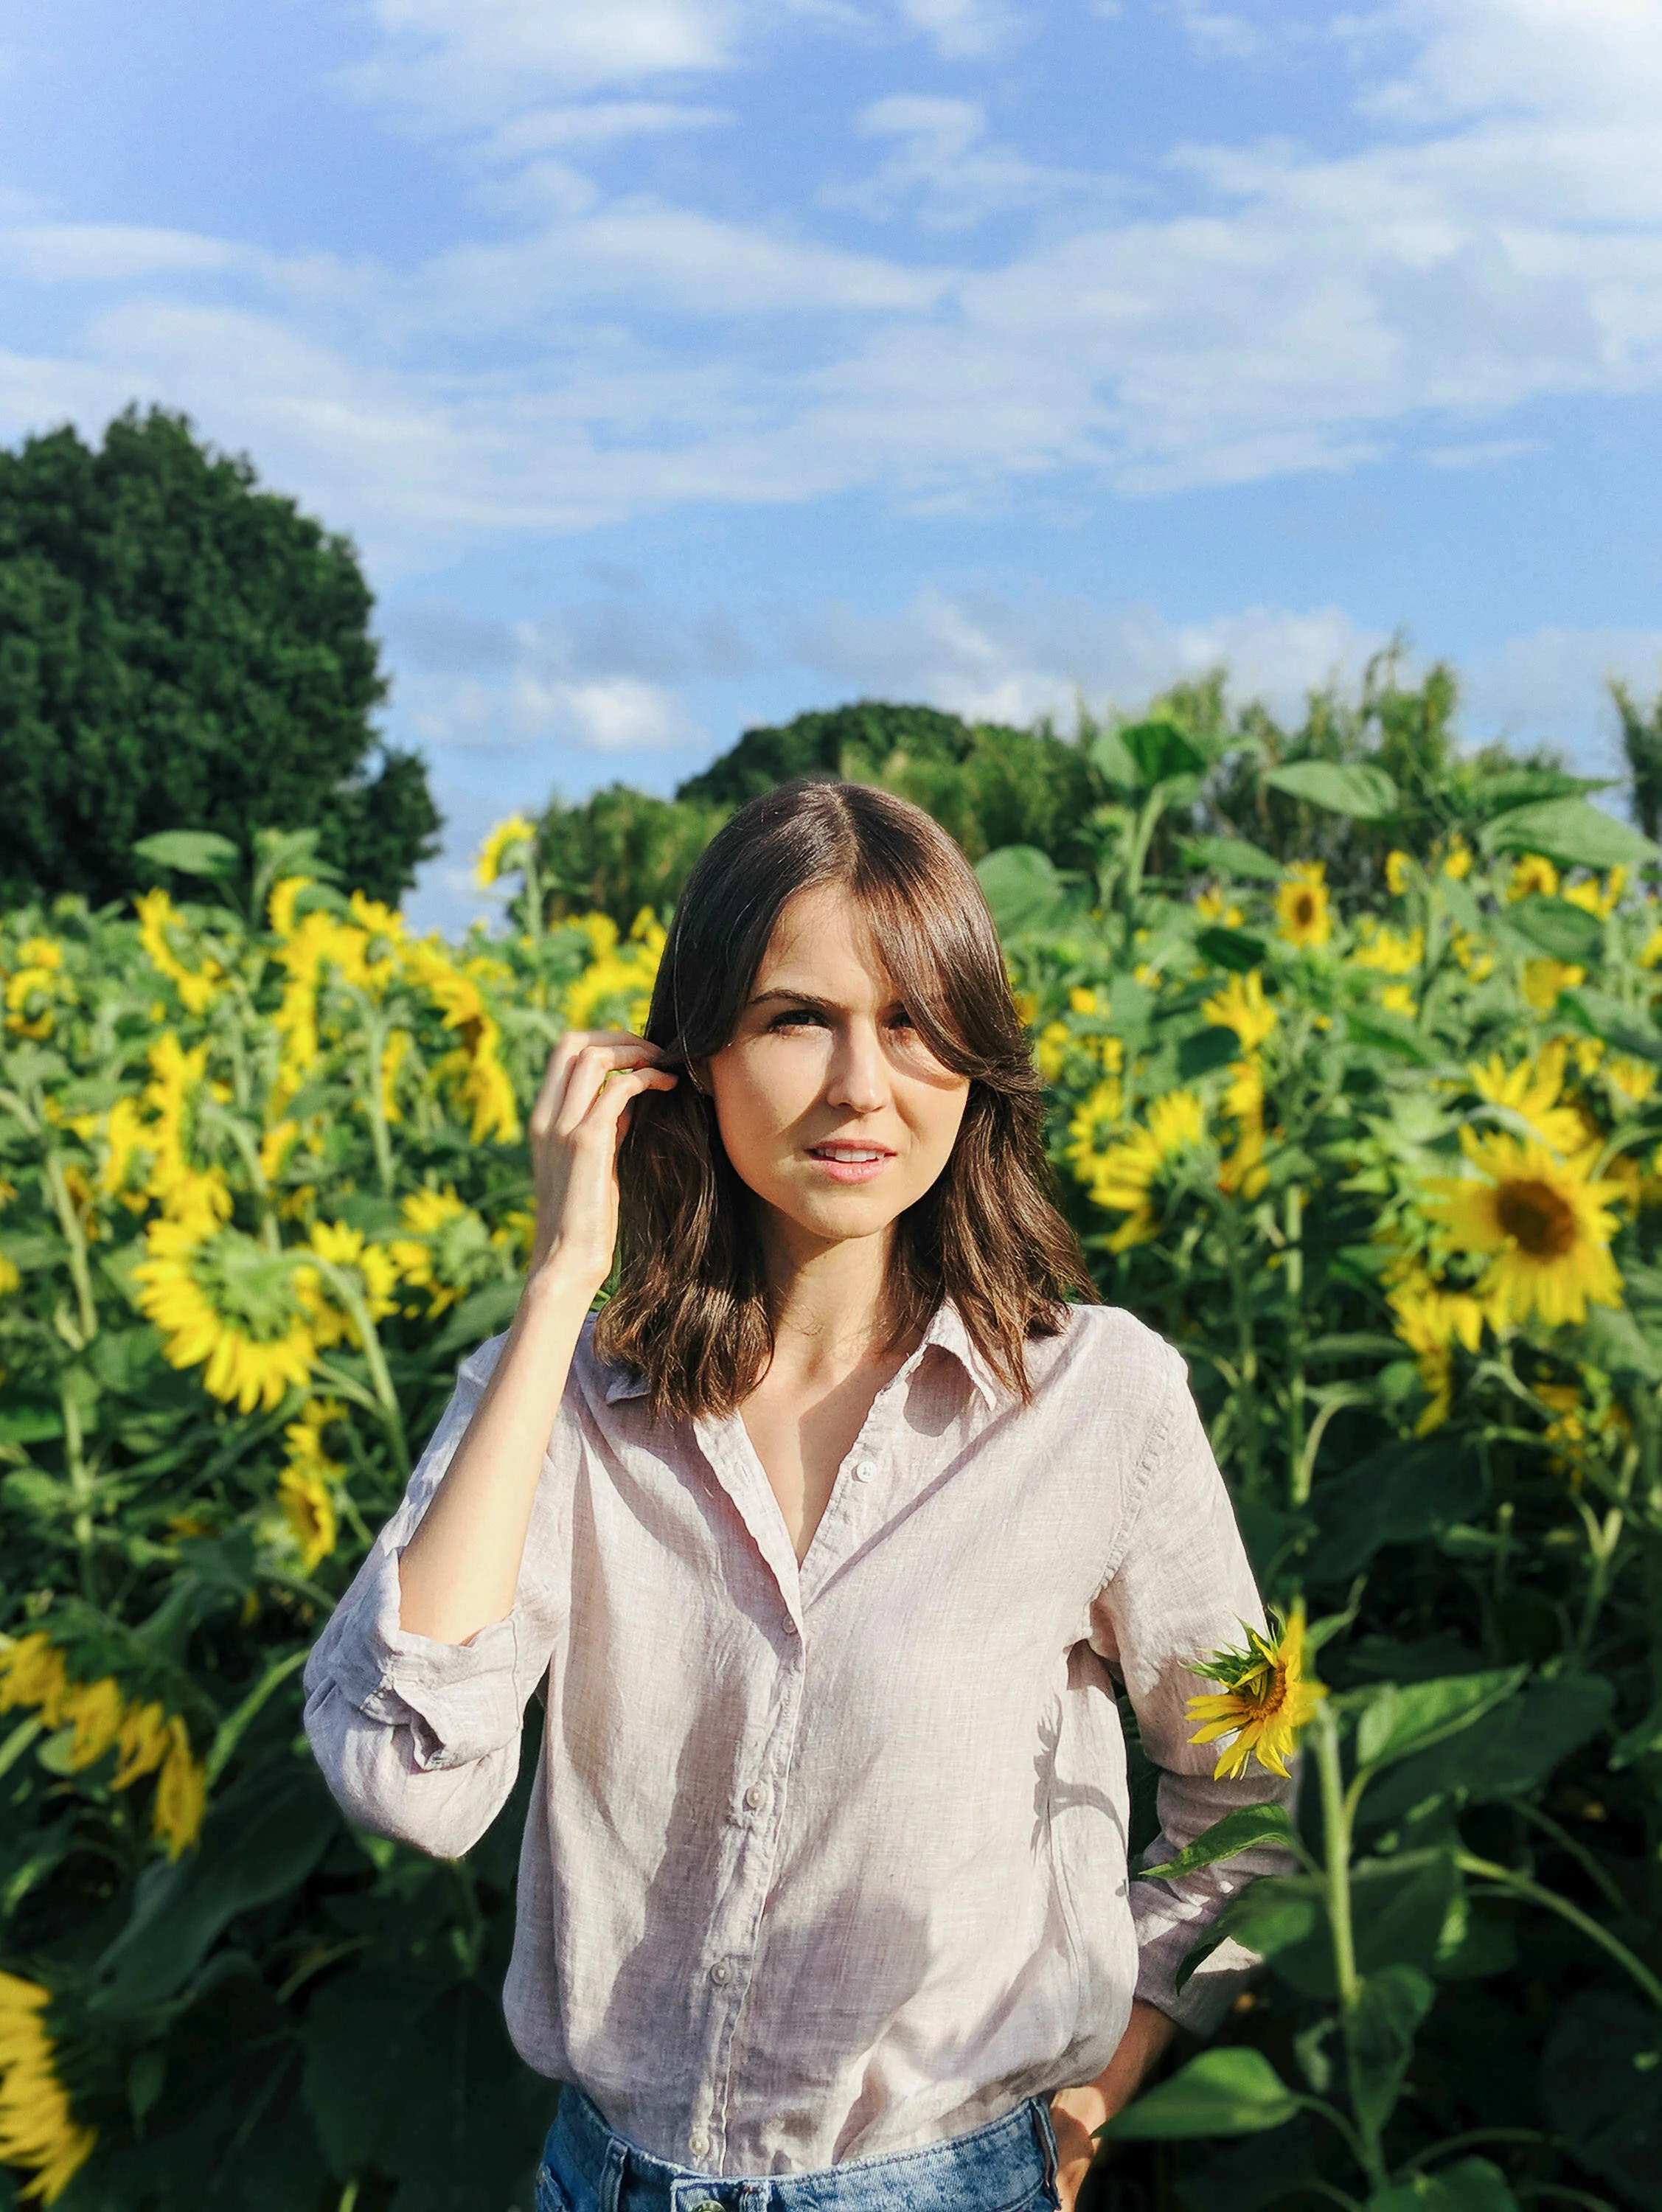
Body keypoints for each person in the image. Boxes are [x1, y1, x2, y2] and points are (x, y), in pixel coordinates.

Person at [303, 779, 1296, 2212]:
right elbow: (405, 1784)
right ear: (689, 1053)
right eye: (794, 1019)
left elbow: (1254, 1783)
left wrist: (1117, 2059)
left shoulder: (1097, 1405)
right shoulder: (568, 1403)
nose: (858, 1086)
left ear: (973, 1057)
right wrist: (557, 1278)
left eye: (908, 1023)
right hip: (604, 2182)